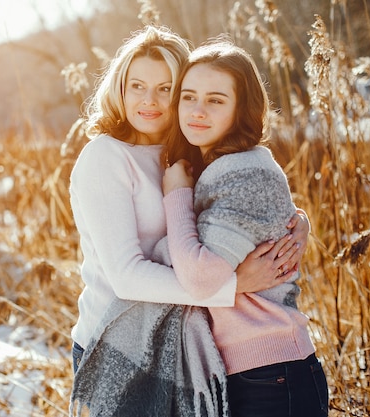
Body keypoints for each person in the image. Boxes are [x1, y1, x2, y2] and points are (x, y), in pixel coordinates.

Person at [67, 25, 309, 416]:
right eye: (137, 86)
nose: (150, 101)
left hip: (182, 344)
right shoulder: (105, 157)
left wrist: (297, 224)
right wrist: (232, 286)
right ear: (120, 89)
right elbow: (126, 276)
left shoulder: (192, 150)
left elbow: (240, 205)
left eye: (166, 89)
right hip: (121, 342)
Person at [160, 37, 328, 417]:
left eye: (216, 100)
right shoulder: (223, 166)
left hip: (271, 373)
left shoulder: (243, 172)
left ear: (241, 109)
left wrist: (177, 195)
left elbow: (202, 277)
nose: (197, 111)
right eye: (188, 96)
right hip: (259, 371)